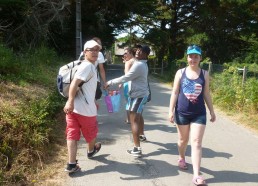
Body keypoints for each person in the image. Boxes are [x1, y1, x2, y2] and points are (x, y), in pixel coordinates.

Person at [168, 44, 216, 185]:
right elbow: (175, 92)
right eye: (190, 56)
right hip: (182, 112)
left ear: (200, 58)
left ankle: (196, 175)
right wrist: (170, 110)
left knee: (196, 142)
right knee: (183, 141)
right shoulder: (180, 73)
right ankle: (181, 157)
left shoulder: (205, 74)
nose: (193, 59)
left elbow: (206, 93)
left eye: (196, 56)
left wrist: (211, 111)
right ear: (187, 57)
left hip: (199, 113)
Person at [64, 40, 102, 173]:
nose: (95, 52)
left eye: (97, 50)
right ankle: (91, 150)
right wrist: (70, 101)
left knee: (72, 134)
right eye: (92, 50)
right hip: (84, 110)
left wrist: (70, 102)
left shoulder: (84, 65)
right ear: (85, 52)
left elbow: (83, 87)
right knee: (91, 134)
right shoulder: (88, 66)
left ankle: (71, 164)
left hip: (73, 109)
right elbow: (74, 83)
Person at [105, 45, 151, 157]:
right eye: (138, 50)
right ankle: (141, 136)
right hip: (136, 94)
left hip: (139, 96)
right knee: (137, 117)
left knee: (133, 120)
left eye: (141, 51)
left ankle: (137, 148)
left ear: (145, 55)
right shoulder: (140, 63)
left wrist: (110, 82)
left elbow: (127, 77)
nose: (138, 52)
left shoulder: (139, 65)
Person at [119, 47, 135, 124]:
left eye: (126, 53)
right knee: (133, 102)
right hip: (135, 84)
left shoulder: (128, 62)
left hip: (128, 84)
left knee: (128, 102)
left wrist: (121, 82)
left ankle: (129, 119)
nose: (124, 55)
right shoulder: (136, 61)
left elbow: (127, 76)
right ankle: (132, 118)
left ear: (131, 53)